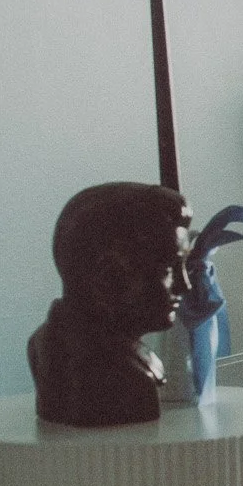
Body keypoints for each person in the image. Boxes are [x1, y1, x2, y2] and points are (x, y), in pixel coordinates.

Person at [27, 182, 191, 426]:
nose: (184, 285)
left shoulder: (43, 342)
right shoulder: (127, 377)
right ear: (108, 277)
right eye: (168, 269)